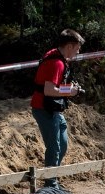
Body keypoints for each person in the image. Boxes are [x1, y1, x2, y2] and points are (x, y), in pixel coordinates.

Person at [30, 29, 86, 185]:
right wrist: (70, 91)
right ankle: (51, 184)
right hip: (44, 109)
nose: (78, 52)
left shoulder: (57, 57)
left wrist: (69, 89)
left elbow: (53, 87)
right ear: (69, 46)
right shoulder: (57, 63)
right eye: (77, 48)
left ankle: (51, 178)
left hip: (53, 109)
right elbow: (49, 90)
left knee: (63, 145)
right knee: (54, 147)